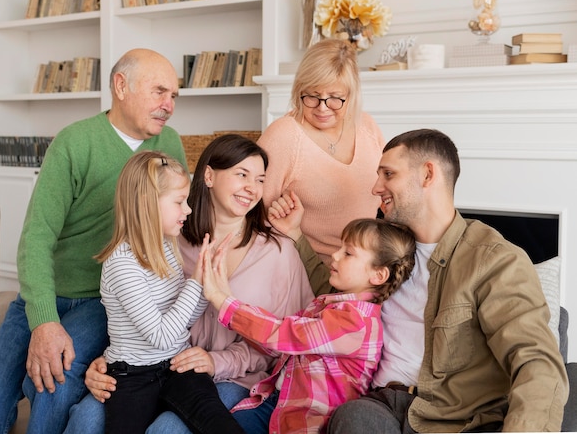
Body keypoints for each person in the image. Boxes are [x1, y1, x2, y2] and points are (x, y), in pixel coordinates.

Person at [0, 48, 188, 434]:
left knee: (54, 381)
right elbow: (36, 238)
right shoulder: (75, 143)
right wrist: (43, 320)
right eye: (160, 91)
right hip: (45, 291)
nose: (169, 105)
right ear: (121, 85)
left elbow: (180, 224)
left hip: (102, 298)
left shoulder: (169, 146)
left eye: (174, 96)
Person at [274, 129, 569, 433]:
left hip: (460, 418)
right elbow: (340, 295)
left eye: (388, 174)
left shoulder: (492, 259)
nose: (376, 188)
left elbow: (534, 359)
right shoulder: (391, 250)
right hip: (384, 403)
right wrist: (296, 235)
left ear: (428, 174)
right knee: (354, 417)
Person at [64, 134, 315, 434]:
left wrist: (216, 361)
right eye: (242, 175)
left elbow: (285, 342)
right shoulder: (169, 239)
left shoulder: (278, 253)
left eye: (260, 179)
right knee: (86, 418)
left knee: (167, 430)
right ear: (208, 176)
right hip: (158, 368)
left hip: (232, 377)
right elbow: (137, 320)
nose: (253, 188)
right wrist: (106, 362)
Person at [200, 218, 416, 434]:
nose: (335, 255)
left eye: (348, 253)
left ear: (378, 275)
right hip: (276, 404)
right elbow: (278, 345)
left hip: (307, 422)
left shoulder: (356, 322)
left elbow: (284, 335)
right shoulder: (327, 305)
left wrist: (224, 302)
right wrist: (227, 299)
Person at [96, 151, 245, 434]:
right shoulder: (122, 264)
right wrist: (195, 281)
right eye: (179, 202)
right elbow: (161, 336)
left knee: (221, 424)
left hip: (178, 364)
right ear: (147, 204)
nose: (187, 210)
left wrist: (207, 281)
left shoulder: (166, 248)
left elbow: (183, 321)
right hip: (132, 377)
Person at [257, 38, 385, 266]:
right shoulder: (284, 136)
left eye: (335, 98)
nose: (322, 108)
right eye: (312, 96)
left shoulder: (366, 126)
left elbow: (388, 193)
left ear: (351, 94)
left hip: (367, 268)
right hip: (311, 269)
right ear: (299, 90)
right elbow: (253, 211)